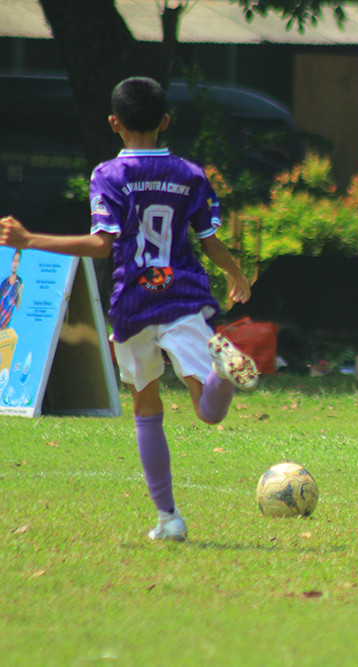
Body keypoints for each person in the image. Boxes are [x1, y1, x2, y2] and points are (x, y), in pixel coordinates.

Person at [0, 76, 259, 542]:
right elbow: (209, 240)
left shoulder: (108, 175)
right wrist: (235, 274)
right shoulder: (190, 174)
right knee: (208, 412)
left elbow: (102, 246)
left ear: (114, 123)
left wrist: (30, 239)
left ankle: (169, 518)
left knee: (146, 403)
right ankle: (222, 373)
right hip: (182, 298)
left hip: (134, 303)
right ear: (165, 121)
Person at [0, 248, 23, 328]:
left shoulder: (19, 282)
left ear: (19, 263)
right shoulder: (4, 282)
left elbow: (18, 308)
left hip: (7, 323)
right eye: (14, 260)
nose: (15, 264)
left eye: (17, 261)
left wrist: (19, 293)